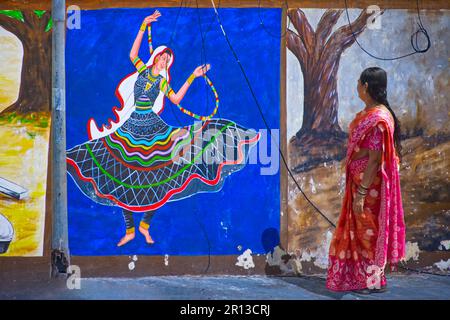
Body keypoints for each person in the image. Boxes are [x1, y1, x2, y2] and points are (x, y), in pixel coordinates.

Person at [66, 10, 260, 247]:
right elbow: (132, 53)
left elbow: (176, 100)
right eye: (162, 57)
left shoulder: (162, 82)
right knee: (121, 174)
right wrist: (143, 24)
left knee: (161, 177)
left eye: (168, 59)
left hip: (154, 128)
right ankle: (129, 230)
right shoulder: (142, 70)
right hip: (132, 127)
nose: (164, 61)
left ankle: (145, 226)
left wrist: (193, 76)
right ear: (156, 57)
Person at [326, 67, 406, 293]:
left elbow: (374, 160)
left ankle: (373, 281)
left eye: (359, 83)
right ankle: (361, 279)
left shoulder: (379, 119)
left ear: (366, 86)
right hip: (360, 183)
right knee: (361, 232)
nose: (357, 87)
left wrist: (362, 192)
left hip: (370, 187)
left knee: (368, 233)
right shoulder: (369, 114)